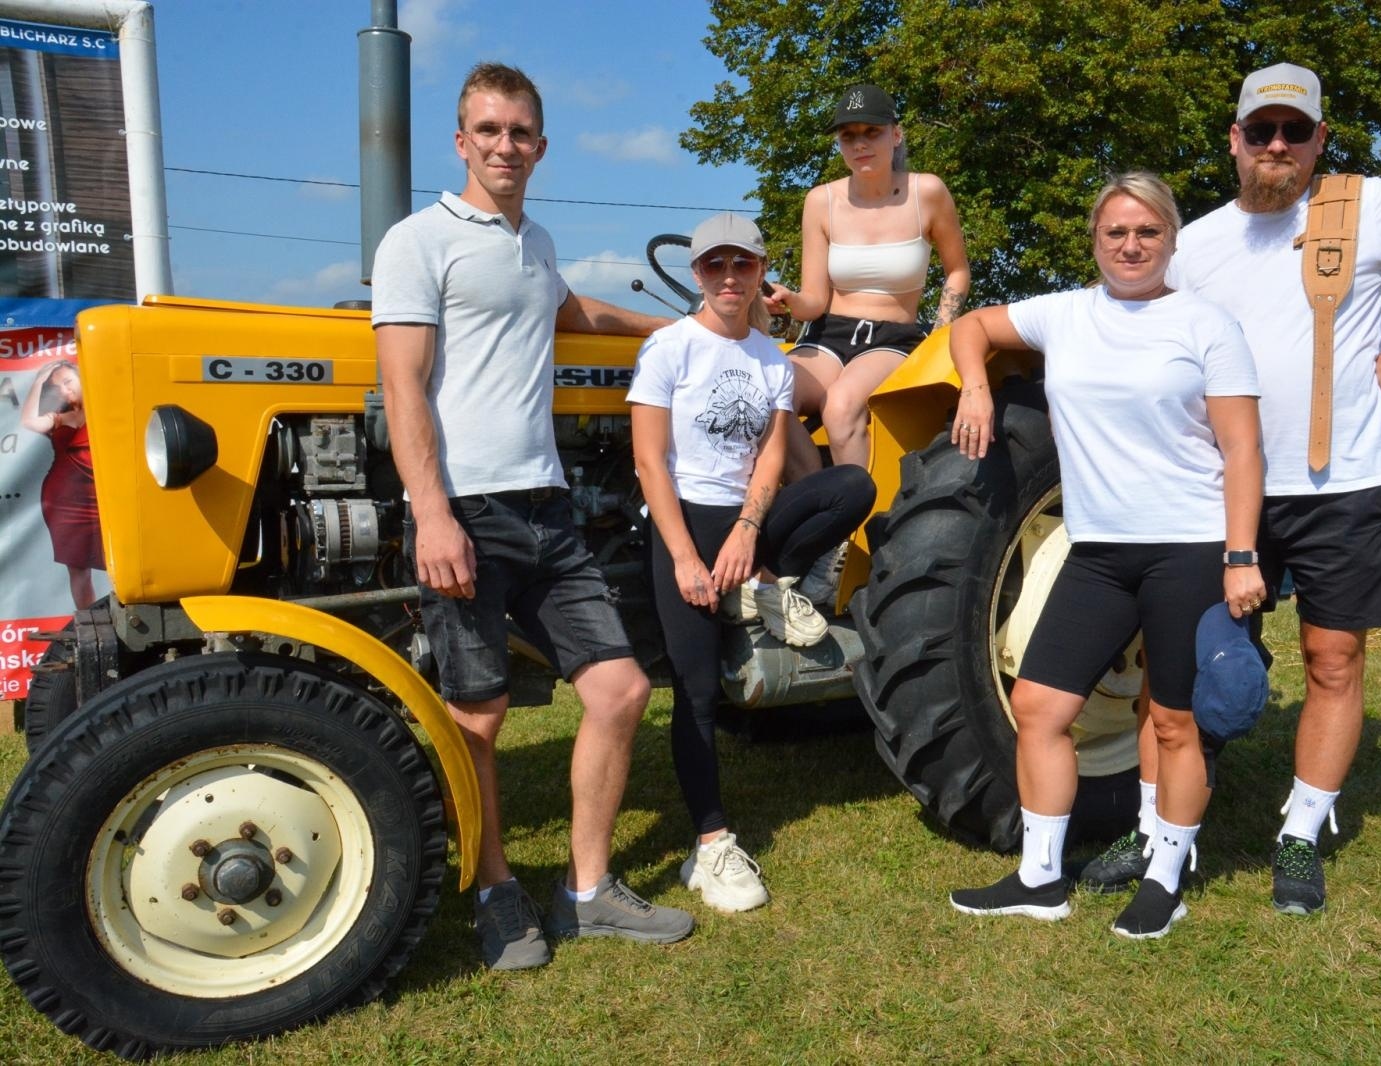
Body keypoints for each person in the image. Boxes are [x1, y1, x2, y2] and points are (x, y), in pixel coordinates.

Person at [1145, 61, 1381, 916]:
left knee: (1333, 656)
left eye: (1295, 131)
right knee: (1178, 663)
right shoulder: (1194, 243)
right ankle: (1160, 834)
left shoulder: (1368, 207)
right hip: (1218, 484)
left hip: (1343, 478)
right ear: (1233, 141)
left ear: (1319, 140)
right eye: (1260, 130)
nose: (1276, 145)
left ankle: (1300, 833)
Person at [371, 61, 694, 971]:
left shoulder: (535, 240)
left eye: (520, 133)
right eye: (489, 130)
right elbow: (403, 387)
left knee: (621, 689)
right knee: (478, 715)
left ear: (541, 146)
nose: (505, 146)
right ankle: (495, 893)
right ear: (461, 140)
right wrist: (431, 514)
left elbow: (568, 309)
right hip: (463, 507)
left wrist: (672, 329)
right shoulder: (418, 240)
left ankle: (588, 893)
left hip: (545, 505)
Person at [946, 172, 1266, 940]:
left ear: (1171, 239)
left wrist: (1242, 554)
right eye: (1115, 232)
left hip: (1187, 548)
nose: (1131, 245)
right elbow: (973, 327)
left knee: (1173, 722)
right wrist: (974, 389)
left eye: (1147, 232)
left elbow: (1244, 448)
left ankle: (1165, 878)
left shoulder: (1207, 326)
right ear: (1095, 239)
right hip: (1095, 550)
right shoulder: (1064, 315)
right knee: (1038, 707)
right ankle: (1040, 878)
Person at [629, 212, 875, 912]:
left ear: (760, 273)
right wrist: (684, 557)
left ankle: (765, 585)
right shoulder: (670, 348)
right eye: (715, 266)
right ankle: (710, 845)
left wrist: (748, 533)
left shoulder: (771, 359)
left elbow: (772, 454)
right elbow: (649, 461)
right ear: (698, 274)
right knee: (698, 691)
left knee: (851, 486)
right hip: (683, 523)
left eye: (743, 266)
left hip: (742, 523)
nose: (730, 278)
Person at [765, 83, 969, 479]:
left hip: (892, 339)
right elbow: (814, 301)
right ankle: (818, 507)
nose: (860, 144)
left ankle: (855, 531)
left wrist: (941, 336)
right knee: (762, 391)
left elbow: (957, 270)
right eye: (848, 136)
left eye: (871, 132)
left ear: (896, 134)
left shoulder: (926, 192)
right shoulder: (820, 201)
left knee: (841, 407)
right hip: (827, 335)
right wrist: (789, 298)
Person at [20, 361, 103, 609]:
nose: (66, 392)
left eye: (68, 382)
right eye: (58, 389)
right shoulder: (58, 418)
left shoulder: (104, 408)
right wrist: (37, 383)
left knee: (120, 565)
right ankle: (89, 623)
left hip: (103, 497)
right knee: (78, 569)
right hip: (63, 499)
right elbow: (29, 423)